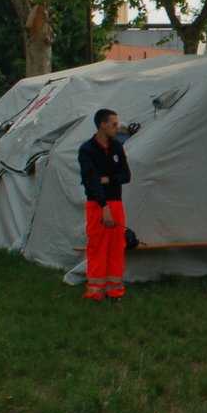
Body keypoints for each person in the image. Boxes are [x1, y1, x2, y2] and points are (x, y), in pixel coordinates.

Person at [78, 108, 131, 301]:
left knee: (117, 245)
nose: (117, 127)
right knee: (98, 245)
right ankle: (95, 291)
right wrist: (104, 206)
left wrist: (108, 179)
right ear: (103, 124)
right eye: (114, 124)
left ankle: (114, 290)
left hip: (116, 201)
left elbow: (126, 175)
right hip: (97, 204)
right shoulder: (87, 149)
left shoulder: (117, 147)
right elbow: (91, 180)